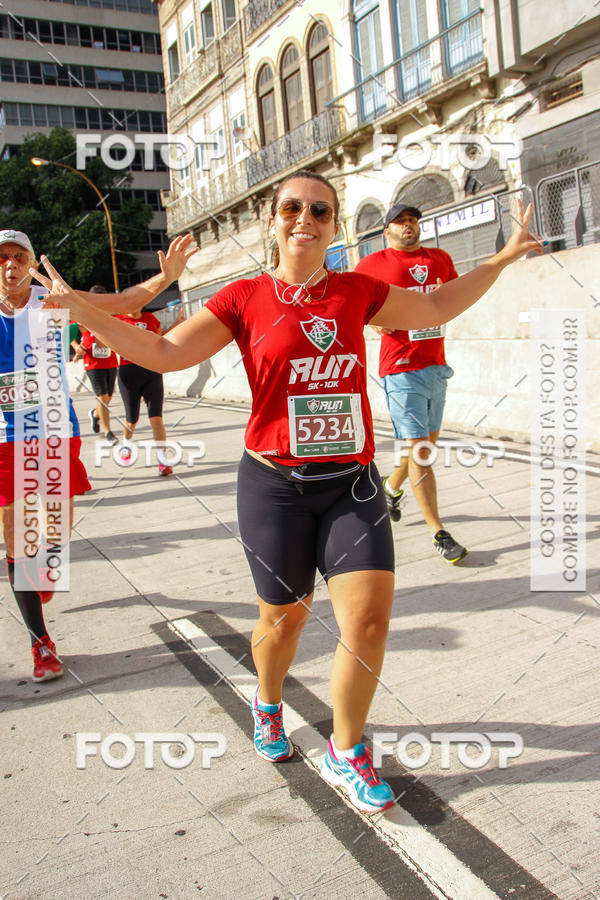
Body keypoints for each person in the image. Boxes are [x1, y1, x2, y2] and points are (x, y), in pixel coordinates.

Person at [33, 171, 543, 813]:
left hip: (349, 484)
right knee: (285, 617)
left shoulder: (357, 291)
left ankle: (347, 747)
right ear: (272, 220)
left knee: (370, 619)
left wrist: (502, 253)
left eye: (321, 210)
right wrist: (82, 311)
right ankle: (267, 701)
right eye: (292, 208)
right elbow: (162, 353)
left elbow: (436, 307)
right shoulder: (244, 298)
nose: (306, 217)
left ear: (334, 224)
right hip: (273, 485)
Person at [0, 229, 196, 682]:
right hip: (4, 439)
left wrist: (164, 278)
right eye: (2, 256)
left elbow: (124, 303)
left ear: (31, 262)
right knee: (19, 538)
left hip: (51, 432)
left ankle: (40, 569)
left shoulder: (53, 299)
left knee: (52, 537)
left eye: (19, 255)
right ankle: (40, 642)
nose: (10, 263)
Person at [355, 202, 466, 563]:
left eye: (413, 221)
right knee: (421, 451)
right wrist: (371, 320)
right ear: (386, 231)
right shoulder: (373, 265)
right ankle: (439, 532)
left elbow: (453, 298)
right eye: (400, 222)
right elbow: (351, 303)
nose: (408, 226)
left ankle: (390, 487)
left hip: (436, 365)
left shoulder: (439, 259)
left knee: (423, 448)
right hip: (400, 369)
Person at [115, 305, 184, 477]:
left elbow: (162, 338)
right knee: (132, 419)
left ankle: (163, 461)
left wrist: (177, 323)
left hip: (152, 371)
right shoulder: (119, 320)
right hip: (128, 373)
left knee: (157, 419)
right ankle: (126, 443)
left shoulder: (150, 318)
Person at [73, 286, 119, 445]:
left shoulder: (110, 315)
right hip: (92, 361)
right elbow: (69, 331)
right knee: (102, 397)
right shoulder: (82, 313)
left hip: (111, 360)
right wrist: (75, 346)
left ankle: (95, 414)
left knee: (108, 397)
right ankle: (108, 433)